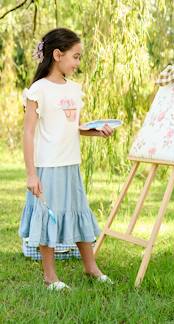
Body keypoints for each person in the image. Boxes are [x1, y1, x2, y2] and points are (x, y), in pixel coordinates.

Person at [19, 27, 114, 290]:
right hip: (47, 167)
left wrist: (97, 131)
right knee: (49, 216)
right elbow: (28, 132)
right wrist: (31, 173)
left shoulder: (74, 89)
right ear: (58, 55)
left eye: (79, 57)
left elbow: (75, 127)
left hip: (71, 164)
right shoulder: (39, 90)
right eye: (76, 56)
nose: (78, 62)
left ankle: (91, 267)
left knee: (78, 212)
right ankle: (50, 276)